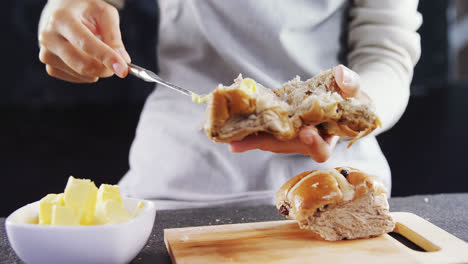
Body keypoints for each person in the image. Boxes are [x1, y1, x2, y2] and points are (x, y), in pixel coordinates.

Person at [37, 0, 421, 209]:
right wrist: (66, 12)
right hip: (174, 185)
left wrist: (359, 108)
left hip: (336, 186)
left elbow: (386, 50)